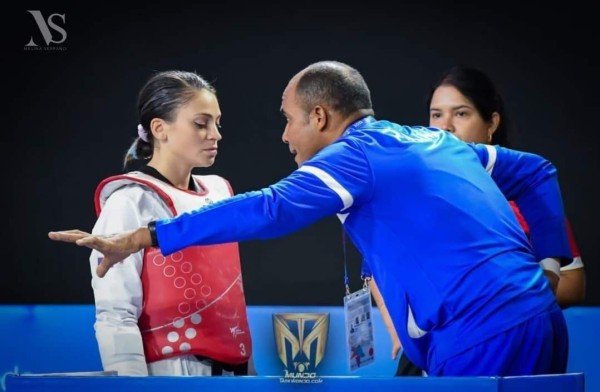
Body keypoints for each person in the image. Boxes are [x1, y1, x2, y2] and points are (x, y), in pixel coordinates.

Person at [50, 61, 571, 377]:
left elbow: (270, 208)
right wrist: (551, 265)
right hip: (541, 324)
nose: (284, 135)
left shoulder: (352, 156)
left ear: (319, 117)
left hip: (482, 337)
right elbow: (539, 172)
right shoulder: (430, 139)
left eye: (288, 119)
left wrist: (147, 234)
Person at [387, 65, 586, 377]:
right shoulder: (417, 190)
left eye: (461, 114)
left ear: (491, 123)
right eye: (436, 115)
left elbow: (573, 285)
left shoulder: (529, 193)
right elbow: (379, 266)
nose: (446, 127)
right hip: (429, 354)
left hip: (505, 349)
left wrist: (495, 296)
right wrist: (398, 327)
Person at [76, 70, 253, 376]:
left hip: (234, 369)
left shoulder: (221, 191)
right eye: (201, 123)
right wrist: (133, 385)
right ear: (159, 128)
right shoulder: (129, 201)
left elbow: (230, 300)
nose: (215, 134)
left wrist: (249, 372)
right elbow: (116, 314)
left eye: (217, 123)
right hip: (171, 371)